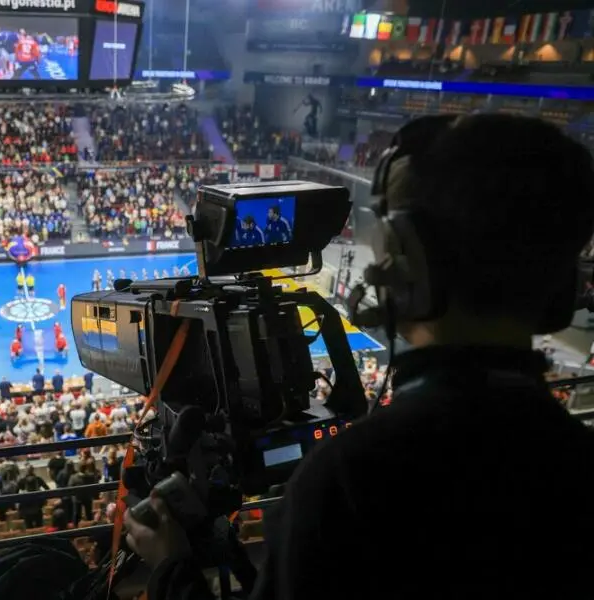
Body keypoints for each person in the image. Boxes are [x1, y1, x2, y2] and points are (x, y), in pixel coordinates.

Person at [123, 115, 594, 598]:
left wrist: (171, 568)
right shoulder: (579, 461)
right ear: (560, 287)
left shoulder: (349, 481)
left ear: (407, 258)